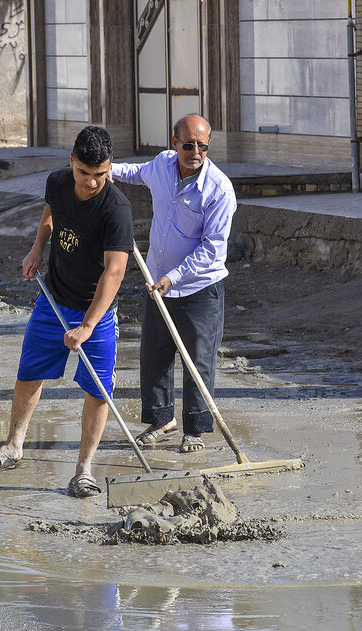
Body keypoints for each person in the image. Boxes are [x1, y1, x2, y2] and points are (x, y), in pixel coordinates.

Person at [0, 125, 134, 498]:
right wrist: (36, 249)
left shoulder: (116, 209)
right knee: (30, 373)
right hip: (53, 298)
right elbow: (50, 215)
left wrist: (89, 325)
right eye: (84, 173)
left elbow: (115, 272)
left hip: (97, 311)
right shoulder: (58, 182)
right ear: (71, 162)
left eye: (101, 175)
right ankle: (13, 447)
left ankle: (83, 469)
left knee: (97, 391)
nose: (92, 183)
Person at [110, 113, 236, 453]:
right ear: (174, 142)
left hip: (199, 288)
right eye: (189, 145)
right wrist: (106, 170)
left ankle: (194, 429)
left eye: (203, 146)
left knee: (198, 360)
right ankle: (161, 420)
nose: (195, 152)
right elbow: (135, 174)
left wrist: (174, 277)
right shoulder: (162, 165)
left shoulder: (219, 189)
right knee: (154, 355)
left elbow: (212, 248)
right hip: (158, 284)